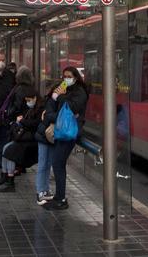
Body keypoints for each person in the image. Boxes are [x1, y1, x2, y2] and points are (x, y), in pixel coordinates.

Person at [40, 66, 88, 210]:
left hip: (70, 132)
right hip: (62, 130)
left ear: (76, 77)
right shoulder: (64, 88)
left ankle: (61, 199)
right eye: (64, 76)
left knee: (58, 163)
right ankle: (58, 197)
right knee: (57, 164)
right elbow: (53, 106)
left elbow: (71, 108)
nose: (66, 79)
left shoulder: (80, 92)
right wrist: (56, 99)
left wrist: (59, 97)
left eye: (69, 76)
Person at [0, 67, 37, 190]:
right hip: (23, 127)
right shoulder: (32, 89)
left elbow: (16, 107)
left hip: (19, 126)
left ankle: (8, 179)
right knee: (8, 149)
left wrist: (8, 115)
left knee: (9, 150)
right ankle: (6, 176)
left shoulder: (19, 89)